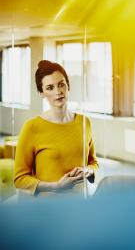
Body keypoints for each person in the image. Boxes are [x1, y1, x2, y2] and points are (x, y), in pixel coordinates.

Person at [14, 60, 98, 197]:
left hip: (79, 205)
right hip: (48, 209)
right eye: (50, 88)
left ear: (68, 85)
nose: (58, 91)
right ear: (41, 93)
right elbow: (19, 179)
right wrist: (56, 186)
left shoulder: (84, 122)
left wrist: (87, 171)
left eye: (61, 84)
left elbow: (93, 162)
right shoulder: (32, 127)